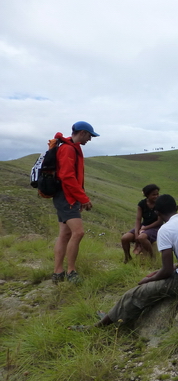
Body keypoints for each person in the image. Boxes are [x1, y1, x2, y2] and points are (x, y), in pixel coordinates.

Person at [90, 194, 178, 328]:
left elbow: (167, 271)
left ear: (157, 213)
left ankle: (101, 325)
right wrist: (165, 271)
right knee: (154, 282)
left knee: (136, 293)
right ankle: (116, 315)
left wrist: (147, 280)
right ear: (176, 208)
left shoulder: (166, 229)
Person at [51, 121, 99, 284]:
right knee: (78, 233)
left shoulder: (69, 147)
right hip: (67, 196)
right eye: (90, 136)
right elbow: (68, 177)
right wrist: (83, 198)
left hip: (65, 196)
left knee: (65, 234)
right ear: (83, 133)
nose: (90, 140)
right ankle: (71, 271)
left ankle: (58, 273)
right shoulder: (68, 149)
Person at [121, 184, 163, 263]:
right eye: (153, 194)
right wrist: (136, 233)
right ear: (147, 195)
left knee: (142, 237)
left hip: (156, 228)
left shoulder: (159, 204)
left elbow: (159, 221)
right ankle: (127, 258)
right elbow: (138, 219)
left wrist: (144, 229)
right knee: (125, 238)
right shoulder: (142, 204)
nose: (156, 196)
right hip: (143, 226)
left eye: (157, 194)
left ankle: (152, 258)